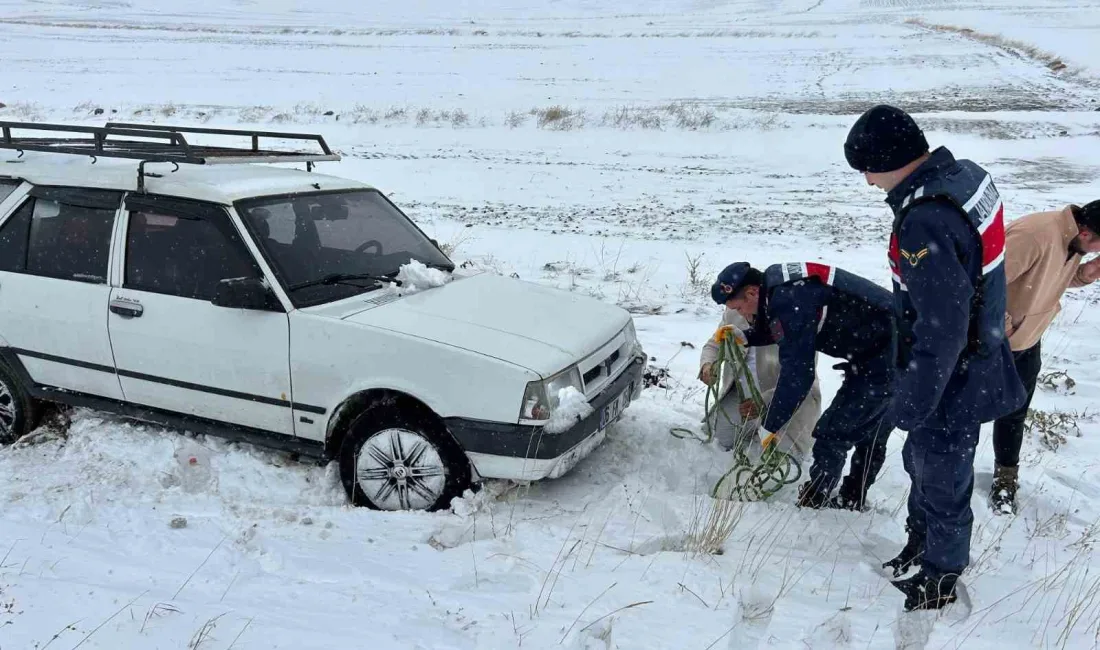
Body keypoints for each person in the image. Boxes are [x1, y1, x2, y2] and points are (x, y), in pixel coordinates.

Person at [844, 104, 1027, 611]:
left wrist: (914, 402)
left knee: (942, 475)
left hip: (953, 376)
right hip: (977, 353)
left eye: (867, 169)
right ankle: (920, 541)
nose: (866, 181)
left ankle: (940, 577)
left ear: (888, 159)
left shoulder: (924, 220)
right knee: (921, 462)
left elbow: (941, 327)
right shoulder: (966, 177)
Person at [711, 261, 896, 511]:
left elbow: (798, 375)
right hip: (889, 345)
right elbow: (786, 327)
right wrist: (748, 336)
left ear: (753, 292)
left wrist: (770, 425)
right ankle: (852, 498)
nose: (742, 315)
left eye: (740, 307)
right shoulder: (778, 284)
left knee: (834, 432)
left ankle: (817, 503)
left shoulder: (787, 299)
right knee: (869, 426)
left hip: (890, 354)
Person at [991, 200, 1100, 514]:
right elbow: (983, 281)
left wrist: (1087, 273)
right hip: (995, 344)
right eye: (1095, 249)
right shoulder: (1036, 234)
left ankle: (1005, 479)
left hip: (1028, 341)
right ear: (1086, 231)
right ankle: (947, 482)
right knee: (965, 414)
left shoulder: (1073, 240)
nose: (1091, 254)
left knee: (1014, 413)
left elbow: (1050, 280)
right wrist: (1005, 328)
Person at [697, 280, 820, 465]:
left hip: (787, 401)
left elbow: (799, 379)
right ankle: (752, 430)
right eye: (733, 308)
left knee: (781, 463)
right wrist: (707, 365)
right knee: (720, 440)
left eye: (739, 307)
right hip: (742, 399)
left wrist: (763, 402)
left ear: (753, 295)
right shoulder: (734, 312)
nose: (738, 313)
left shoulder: (792, 318)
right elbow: (715, 343)